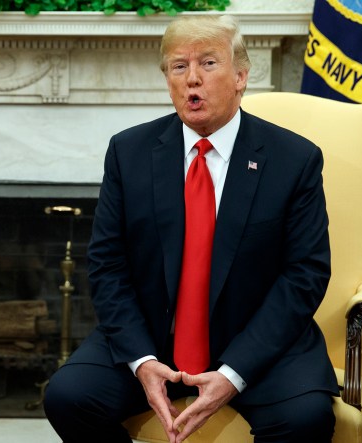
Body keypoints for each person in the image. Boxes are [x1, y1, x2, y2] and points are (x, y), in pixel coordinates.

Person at [44, 15, 339, 443]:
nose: (192, 80)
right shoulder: (129, 152)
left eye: (208, 63)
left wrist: (234, 373)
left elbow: (304, 275)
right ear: (167, 80)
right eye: (179, 67)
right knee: (69, 398)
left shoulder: (293, 159)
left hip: (257, 344)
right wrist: (142, 361)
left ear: (240, 76)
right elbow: (107, 265)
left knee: (305, 418)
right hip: (153, 337)